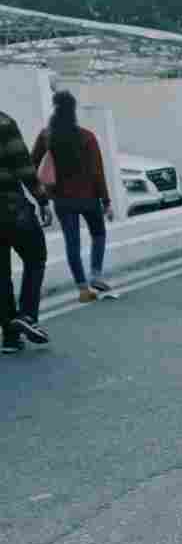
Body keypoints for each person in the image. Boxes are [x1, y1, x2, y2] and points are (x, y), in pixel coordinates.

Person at [31, 92, 112, 302]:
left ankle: (83, 289)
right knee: (98, 234)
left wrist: (43, 196)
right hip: (89, 198)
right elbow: (97, 171)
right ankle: (96, 274)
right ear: (74, 110)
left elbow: (32, 165)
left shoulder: (46, 136)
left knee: (72, 243)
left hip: (62, 200)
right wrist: (106, 200)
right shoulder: (87, 137)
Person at [0, 109, 50, 354]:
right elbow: (24, 166)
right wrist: (42, 200)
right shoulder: (4, 122)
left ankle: (10, 337)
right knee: (36, 258)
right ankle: (28, 315)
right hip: (10, 207)